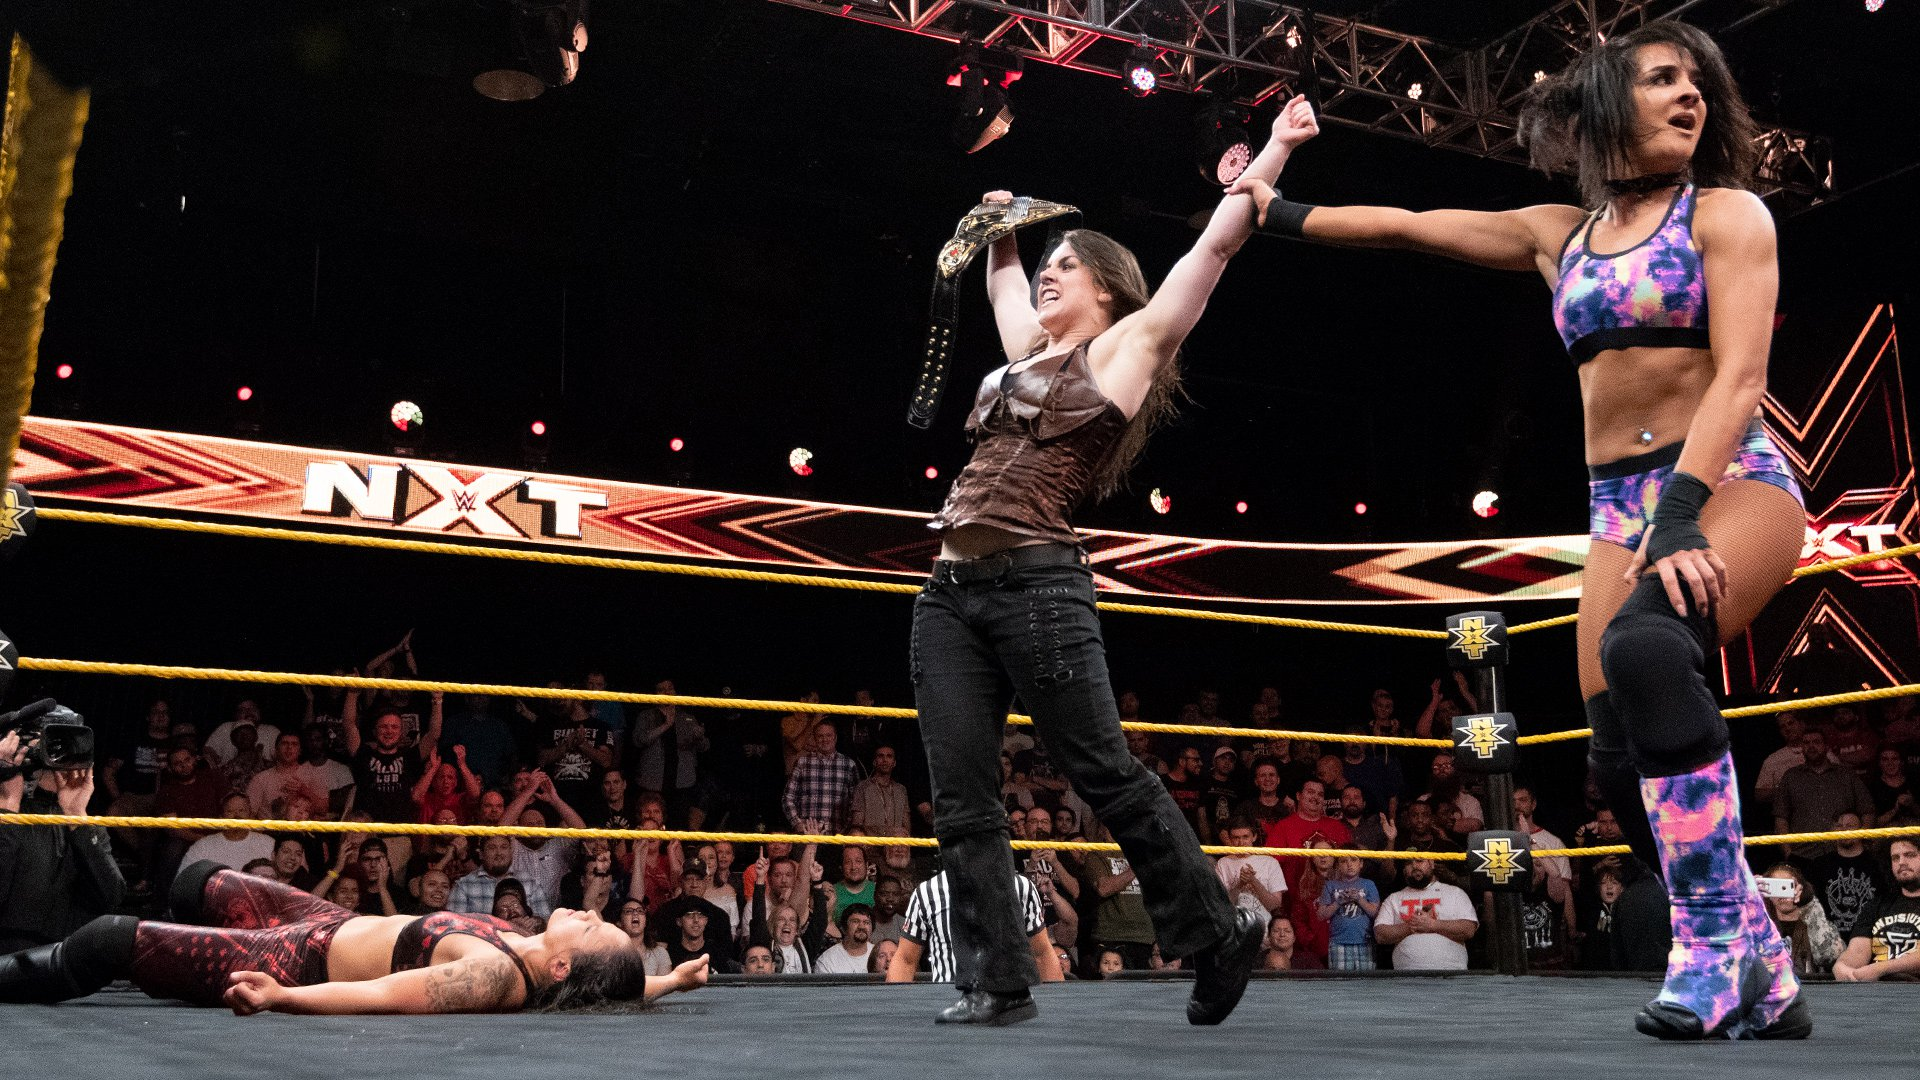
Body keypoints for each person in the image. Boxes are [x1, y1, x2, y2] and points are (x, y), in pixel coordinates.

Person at [1233, 21, 1807, 1039]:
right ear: (1606, 103)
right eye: (1662, 79)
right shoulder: (1560, 235)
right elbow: (1410, 225)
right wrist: (1275, 209)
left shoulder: (1726, 215)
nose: (1689, 95)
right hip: (1619, 508)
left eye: (1697, 83)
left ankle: (1718, 945)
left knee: (1647, 649)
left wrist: (1682, 515)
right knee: (1615, 757)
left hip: (1727, 481)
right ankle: (1757, 959)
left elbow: (1742, 377)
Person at [908, 96, 1317, 1026]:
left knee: (1102, 770)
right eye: (1046, 265)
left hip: (1037, 587)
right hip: (948, 594)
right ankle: (996, 981)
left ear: (1105, 285)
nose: (1048, 274)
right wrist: (1004, 230)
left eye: (1065, 264)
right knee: (960, 795)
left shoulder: (1128, 348)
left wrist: (1277, 150)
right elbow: (1002, 283)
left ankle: (1215, 932)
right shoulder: (1023, 354)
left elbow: (1214, 248)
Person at [0, 860, 708, 1012]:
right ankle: (168, 952)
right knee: (194, 881)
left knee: (106, 941)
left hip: (299, 958)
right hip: (324, 918)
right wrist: (670, 980)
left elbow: (386, 995)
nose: (589, 913)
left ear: (560, 968)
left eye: (593, 929)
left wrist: (283, 997)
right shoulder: (544, 956)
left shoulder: (493, 975)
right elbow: (607, 984)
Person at [0, 721, 126, 952]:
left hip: (62, 957)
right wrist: (7, 808)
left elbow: (111, 897)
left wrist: (76, 816)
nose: (59, 752)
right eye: (50, 742)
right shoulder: (9, 809)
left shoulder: (82, 822)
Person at [888, 870, 1063, 984]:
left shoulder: (1020, 887)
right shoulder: (927, 892)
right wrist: (893, 1019)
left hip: (1008, 1001)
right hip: (947, 999)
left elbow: (1042, 954)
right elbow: (905, 960)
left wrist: (1058, 1012)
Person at [1831, 838, 1920, 983]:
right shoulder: (1877, 904)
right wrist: (1842, 966)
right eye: (1895, 858)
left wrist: (1881, 968)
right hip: (1878, 991)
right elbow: (1858, 951)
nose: (1901, 862)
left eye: (1909, 855)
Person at [1374, 858, 1477, 971]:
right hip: (1406, 975)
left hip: (1452, 973)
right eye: (1409, 863)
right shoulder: (1394, 898)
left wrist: (1432, 925)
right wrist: (1411, 926)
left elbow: (1468, 929)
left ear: (1431, 864)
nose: (1414, 866)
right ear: (1404, 870)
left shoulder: (1455, 893)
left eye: (1419, 861)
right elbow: (1380, 934)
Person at [1757, 864, 1841, 976]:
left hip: (1810, 985)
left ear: (1800, 889)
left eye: (1788, 886)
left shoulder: (1816, 924)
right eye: (1776, 886)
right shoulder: (1761, 928)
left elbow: (1831, 957)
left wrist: (1809, 903)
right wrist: (1748, 897)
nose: (1783, 895)